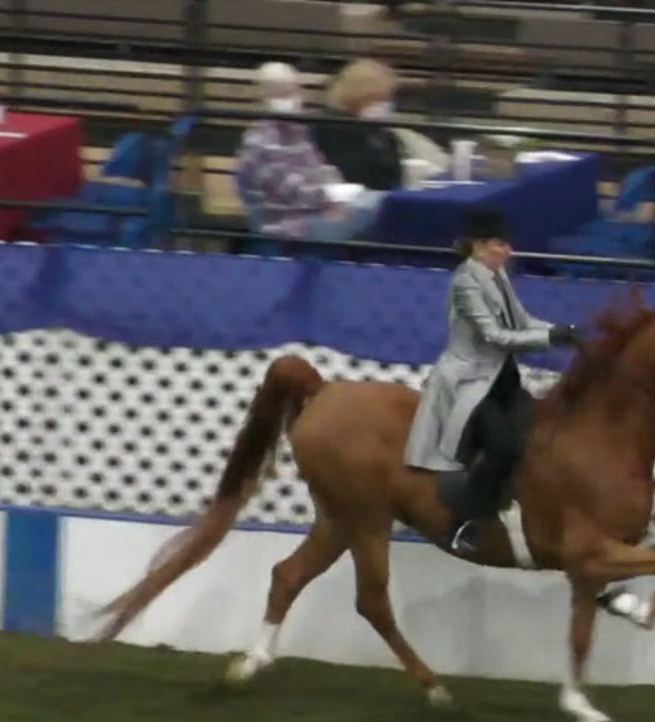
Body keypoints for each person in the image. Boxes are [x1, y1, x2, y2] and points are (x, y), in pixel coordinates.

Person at [404, 209, 579, 556]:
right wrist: (548, 338)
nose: (509, 251)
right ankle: (463, 522)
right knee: (503, 447)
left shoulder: (497, 276)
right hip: (470, 380)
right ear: (479, 246)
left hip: (499, 375)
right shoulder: (466, 282)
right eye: (501, 244)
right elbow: (496, 336)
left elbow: (522, 320)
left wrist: (560, 332)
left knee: (537, 427)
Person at [232, 61, 385, 243]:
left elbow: (321, 168)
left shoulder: (298, 130)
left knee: (383, 201)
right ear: (261, 96)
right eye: (281, 93)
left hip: (315, 210)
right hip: (285, 224)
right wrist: (330, 199)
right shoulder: (260, 141)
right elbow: (291, 191)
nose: (291, 98)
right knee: (377, 212)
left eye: (293, 91)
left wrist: (337, 198)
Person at [313, 59, 405, 192]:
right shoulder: (328, 128)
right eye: (380, 99)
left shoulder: (382, 133)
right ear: (360, 96)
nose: (387, 105)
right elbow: (354, 174)